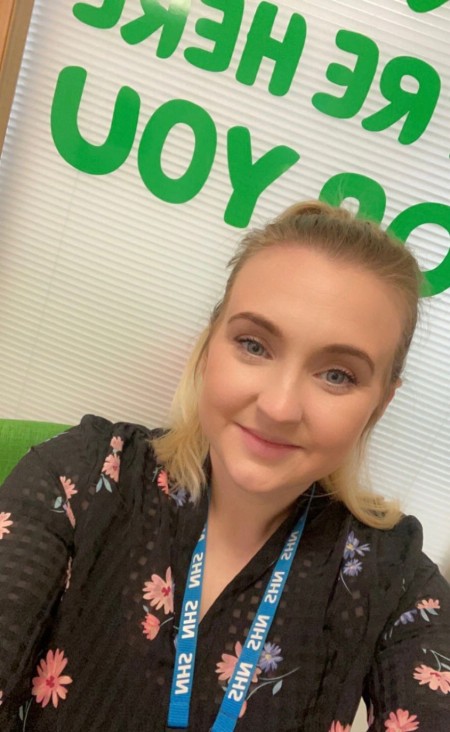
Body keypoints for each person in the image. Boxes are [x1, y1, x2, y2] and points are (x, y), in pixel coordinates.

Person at [0, 200, 449, 732]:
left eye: (337, 375)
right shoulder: (85, 476)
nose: (279, 407)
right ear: (211, 343)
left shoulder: (389, 574)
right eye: (254, 345)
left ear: (380, 403)